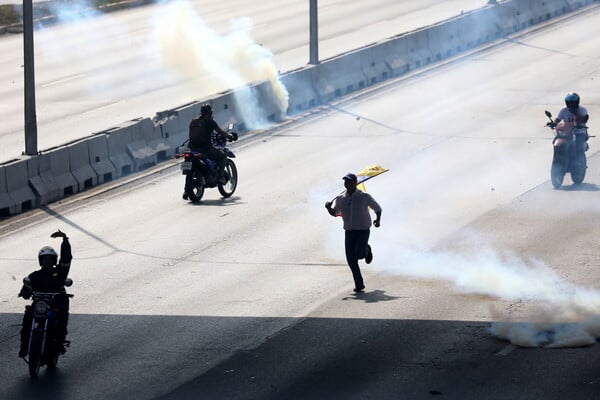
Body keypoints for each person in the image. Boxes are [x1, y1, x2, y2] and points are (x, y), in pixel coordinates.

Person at [18, 230, 72, 358]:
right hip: (40, 304)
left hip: (56, 302)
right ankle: (24, 347)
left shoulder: (59, 272)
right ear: (41, 260)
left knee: (61, 315)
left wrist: (65, 240)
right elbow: (27, 285)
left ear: (54, 260)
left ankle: (59, 342)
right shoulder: (35, 275)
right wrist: (25, 291)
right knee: (27, 318)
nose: (47, 261)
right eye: (45, 259)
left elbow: (66, 258)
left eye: (50, 258)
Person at [325, 173, 382, 292]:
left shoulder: (364, 196)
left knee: (360, 254)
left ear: (355, 183)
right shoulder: (341, 198)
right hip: (349, 232)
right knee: (351, 260)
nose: (347, 184)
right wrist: (328, 208)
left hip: (362, 231)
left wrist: (377, 220)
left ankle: (367, 250)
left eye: (349, 181)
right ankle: (359, 284)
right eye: (345, 182)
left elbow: (378, 208)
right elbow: (335, 213)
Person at [184, 104, 235, 198]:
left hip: (192, 149)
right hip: (205, 149)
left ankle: (186, 191)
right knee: (223, 156)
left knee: (190, 168)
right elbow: (220, 131)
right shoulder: (209, 122)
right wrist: (230, 136)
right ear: (209, 113)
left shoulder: (193, 121)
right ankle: (220, 177)